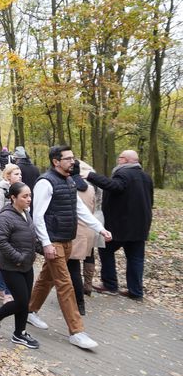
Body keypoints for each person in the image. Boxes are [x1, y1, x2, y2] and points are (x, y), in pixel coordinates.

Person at [28, 145, 112, 349]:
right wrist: (47, 243)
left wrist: (100, 228)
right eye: (68, 158)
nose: (72, 161)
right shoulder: (45, 182)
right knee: (65, 285)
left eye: (73, 158)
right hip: (53, 241)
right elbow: (37, 216)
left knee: (46, 279)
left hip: (67, 240)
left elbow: (80, 209)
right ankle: (77, 331)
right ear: (56, 161)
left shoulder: (69, 181)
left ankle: (29, 311)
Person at [82, 150, 154, 301]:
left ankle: (110, 284)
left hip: (121, 225)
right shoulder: (146, 177)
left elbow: (114, 186)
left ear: (126, 160)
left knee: (106, 250)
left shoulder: (123, 174)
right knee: (136, 258)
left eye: (120, 157)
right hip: (140, 225)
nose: (117, 160)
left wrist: (90, 176)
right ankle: (136, 292)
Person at [0, 182, 40, 349]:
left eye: (29, 195)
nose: (29, 199)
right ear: (13, 198)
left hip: (26, 264)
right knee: (22, 302)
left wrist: (42, 249)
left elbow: (31, 237)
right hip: (11, 266)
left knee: (25, 300)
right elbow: (0, 242)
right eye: (25, 196)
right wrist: (18, 257)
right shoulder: (5, 217)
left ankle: (19, 333)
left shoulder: (25, 213)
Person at [0, 164, 23, 303]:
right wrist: (1, 232)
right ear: (8, 175)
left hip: (17, 230)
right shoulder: (1, 189)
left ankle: (1, 291)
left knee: (8, 262)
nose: (19, 176)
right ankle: (8, 294)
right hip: (4, 231)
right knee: (6, 262)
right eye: (16, 174)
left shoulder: (22, 188)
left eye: (20, 173)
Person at [68, 160, 96, 315]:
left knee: (72, 268)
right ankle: (85, 291)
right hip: (87, 231)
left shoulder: (67, 186)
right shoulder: (90, 188)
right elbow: (92, 208)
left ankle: (78, 302)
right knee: (80, 263)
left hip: (73, 232)